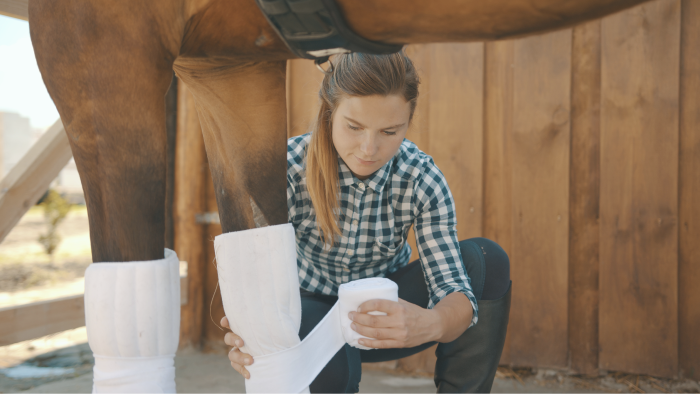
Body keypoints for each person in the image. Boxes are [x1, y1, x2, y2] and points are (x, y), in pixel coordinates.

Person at [220, 51, 511, 394]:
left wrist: (430, 323)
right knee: (325, 360)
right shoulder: (286, 169)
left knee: (487, 259)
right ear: (329, 113)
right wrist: (251, 337)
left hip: (386, 313)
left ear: (408, 120)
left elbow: (453, 288)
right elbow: (253, 283)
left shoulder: (421, 177)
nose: (369, 148)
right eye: (354, 127)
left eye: (389, 131)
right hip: (308, 312)